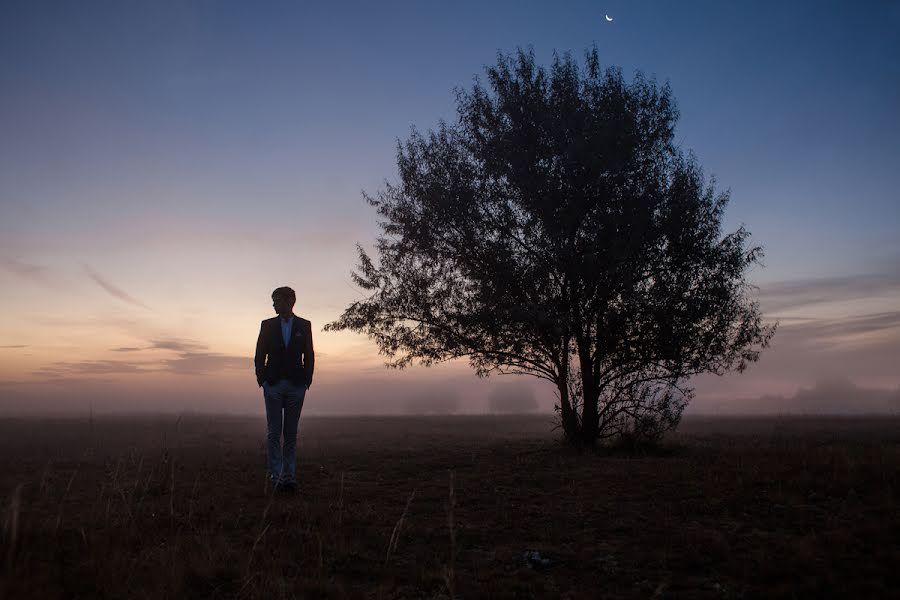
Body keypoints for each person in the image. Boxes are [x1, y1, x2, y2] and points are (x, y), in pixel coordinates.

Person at [254, 286, 314, 493]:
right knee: (273, 432)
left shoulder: (305, 325)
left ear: (289, 301)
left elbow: (309, 354)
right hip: (273, 385)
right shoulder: (267, 325)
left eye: (276, 300)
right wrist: (262, 379)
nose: (273, 304)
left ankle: (289, 478)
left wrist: (307, 380)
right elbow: (259, 354)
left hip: (297, 385)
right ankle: (277, 477)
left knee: (290, 433)